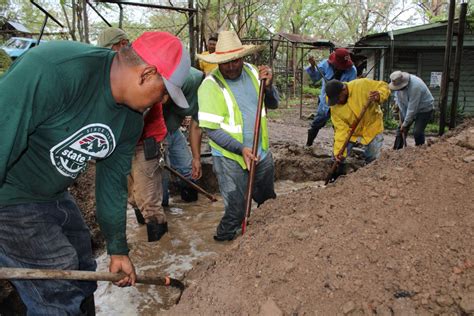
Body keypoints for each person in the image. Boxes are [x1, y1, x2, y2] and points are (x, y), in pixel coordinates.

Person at [0, 31, 190, 314]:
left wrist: (117, 248)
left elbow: (112, 184)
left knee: (82, 264)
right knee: (57, 286)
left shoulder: (130, 119)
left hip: (54, 193)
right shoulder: (54, 69)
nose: (162, 101)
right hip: (11, 196)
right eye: (164, 91)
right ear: (147, 73)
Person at [197, 30, 279, 241]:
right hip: (230, 157)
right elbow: (211, 129)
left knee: (268, 200)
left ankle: (265, 239)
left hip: (260, 152)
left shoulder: (253, 72)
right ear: (218, 60)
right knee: (236, 209)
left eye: (235, 61)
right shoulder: (210, 86)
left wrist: (269, 86)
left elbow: (273, 103)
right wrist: (240, 149)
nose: (231, 66)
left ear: (242, 57)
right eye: (226, 62)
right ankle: (223, 242)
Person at [162, 67, 205, 206]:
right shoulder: (188, 79)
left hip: (173, 131)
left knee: (189, 171)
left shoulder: (206, 97)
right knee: (160, 183)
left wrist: (196, 159)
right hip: (153, 134)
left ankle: (192, 212)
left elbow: (195, 126)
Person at [325, 78, 390, 170]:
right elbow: (341, 129)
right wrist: (339, 152)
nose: (337, 102)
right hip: (352, 130)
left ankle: (369, 176)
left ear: (344, 90)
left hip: (372, 126)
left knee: (372, 158)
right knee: (338, 157)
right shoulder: (334, 104)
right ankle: (337, 176)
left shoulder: (361, 85)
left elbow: (384, 86)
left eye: (338, 98)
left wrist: (379, 95)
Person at [305, 48, 357, 147]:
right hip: (325, 101)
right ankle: (308, 144)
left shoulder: (352, 71)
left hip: (341, 103)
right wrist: (312, 66)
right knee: (318, 122)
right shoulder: (325, 64)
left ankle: (337, 150)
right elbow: (315, 78)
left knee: (339, 128)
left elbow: (351, 89)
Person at [389, 71, 434, 147]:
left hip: (424, 109)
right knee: (400, 131)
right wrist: (397, 105)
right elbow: (398, 97)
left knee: (417, 132)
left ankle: (420, 150)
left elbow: (412, 109)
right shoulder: (397, 84)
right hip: (407, 107)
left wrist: (405, 124)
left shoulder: (415, 87)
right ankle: (396, 151)